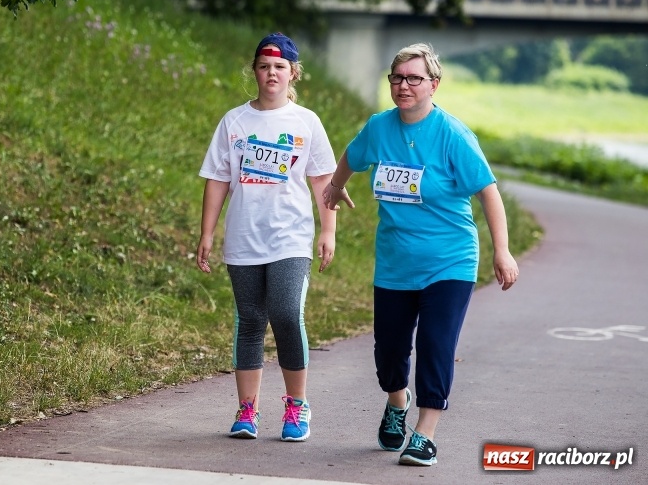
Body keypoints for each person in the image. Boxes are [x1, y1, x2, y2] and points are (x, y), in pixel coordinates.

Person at [322, 43, 519, 466]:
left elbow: (488, 192)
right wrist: (337, 187)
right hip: (395, 262)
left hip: (450, 261)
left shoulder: (452, 134)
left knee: (435, 344)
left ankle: (425, 433)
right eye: (397, 78)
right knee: (389, 353)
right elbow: (352, 157)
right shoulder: (379, 127)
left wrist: (502, 251)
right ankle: (398, 401)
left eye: (414, 78)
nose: (404, 86)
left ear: (434, 84)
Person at [196, 32, 338, 442]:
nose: (271, 73)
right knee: (251, 320)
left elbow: (323, 182)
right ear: (254, 71)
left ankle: (297, 407)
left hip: (291, 236)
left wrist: (327, 231)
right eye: (264, 66)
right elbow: (217, 179)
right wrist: (207, 232)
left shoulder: (306, 122)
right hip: (243, 237)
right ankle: (247, 411)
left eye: (279, 67)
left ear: (293, 73)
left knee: (286, 313)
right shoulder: (235, 121)